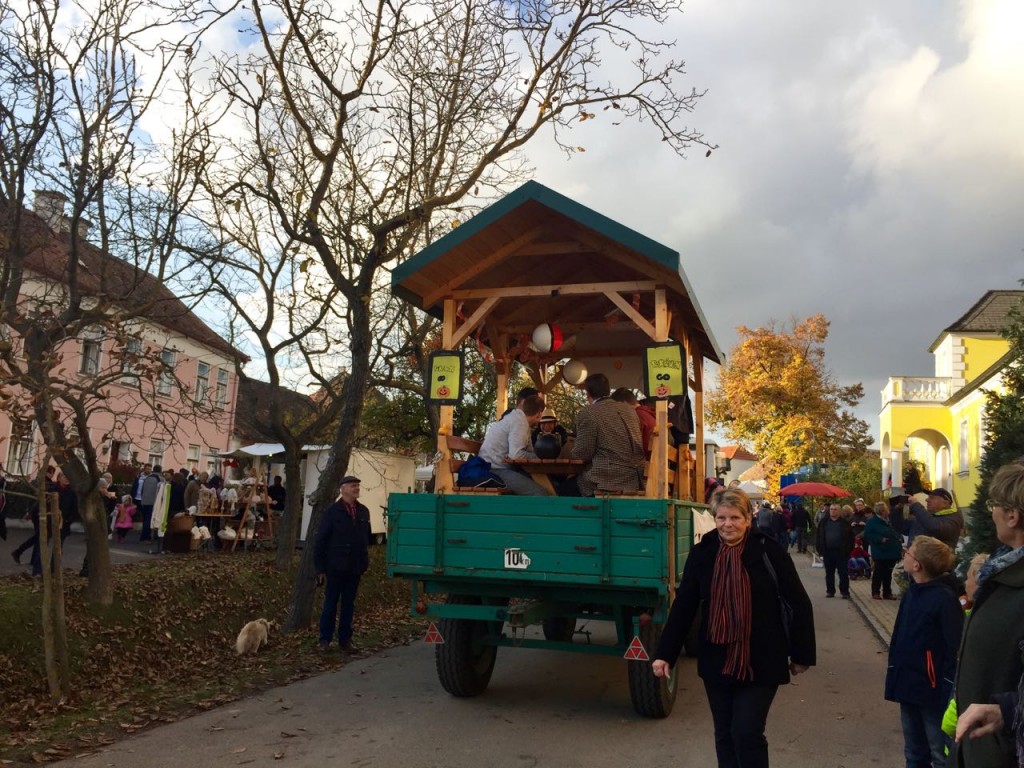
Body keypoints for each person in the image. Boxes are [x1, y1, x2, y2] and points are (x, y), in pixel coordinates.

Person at [652, 487, 815, 768]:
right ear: (714, 519)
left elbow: (797, 601)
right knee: (725, 733)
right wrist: (665, 653)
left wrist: (801, 654)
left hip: (761, 659)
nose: (728, 524)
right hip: (717, 658)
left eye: (735, 518)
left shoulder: (768, 552)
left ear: (748, 519)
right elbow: (685, 605)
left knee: (747, 732)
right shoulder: (702, 553)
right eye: (722, 518)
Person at [951, 462, 1024, 767]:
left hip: (1001, 751)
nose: (991, 511)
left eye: (994, 504)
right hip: (982, 746)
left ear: (1012, 515)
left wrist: (1006, 712)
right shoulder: (1000, 570)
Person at [886, 535, 963, 768]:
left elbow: (954, 649)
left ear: (917, 565)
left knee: (939, 753)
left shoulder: (944, 599)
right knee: (914, 751)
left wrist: (947, 687)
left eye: (909, 553)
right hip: (908, 685)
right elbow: (899, 637)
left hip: (932, 691)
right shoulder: (911, 593)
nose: (905, 554)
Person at [563, 374, 645, 497]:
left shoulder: (589, 413)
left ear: (588, 393)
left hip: (608, 478)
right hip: (636, 478)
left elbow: (582, 453)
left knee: (562, 490)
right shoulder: (629, 410)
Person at [314, 475, 371, 654]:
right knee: (330, 603)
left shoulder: (363, 511)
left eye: (357, 486)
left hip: (355, 566)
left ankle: (345, 640)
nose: (356, 489)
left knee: (349, 604)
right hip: (335, 565)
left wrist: (364, 561)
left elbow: (366, 537)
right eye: (353, 486)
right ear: (343, 488)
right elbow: (321, 540)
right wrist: (320, 568)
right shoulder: (332, 512)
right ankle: (325, 640)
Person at [478, 393, 550, 496]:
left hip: (497, 467)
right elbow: (516, 455)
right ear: (539, 414)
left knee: (545, 483)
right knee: (540, 493)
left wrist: (536, 456)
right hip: (493, 470)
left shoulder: (519, 419)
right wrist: (539, 457)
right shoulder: (519, 422)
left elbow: (527, 452)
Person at [864, 501, 902, 600]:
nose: (888, 511)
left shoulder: (889, 521)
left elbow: (895, 531)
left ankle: (887, 592)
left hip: (892, 551)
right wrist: (880, 539)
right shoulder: (872, 522)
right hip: (880, 551)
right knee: (878, 572)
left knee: (888, 573)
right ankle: (875, 592)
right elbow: (868, 534)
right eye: (886, 509)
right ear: (882, 511)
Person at [816, 503, 854, 598]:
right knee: (829, 573)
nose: (833, 511)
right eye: (831, 509)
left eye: (835, 509)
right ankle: (830, 591)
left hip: (841, 552)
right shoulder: (824, 522)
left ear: (839, 511)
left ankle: (845, 592)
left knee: (843, 573)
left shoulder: (844, 523)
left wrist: (848, 550)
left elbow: (850, 538)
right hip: (828, 552)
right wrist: (819, 549)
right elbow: (819, 536)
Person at [610, 387, 655, 457]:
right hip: (652, 457)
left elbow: (630, 445)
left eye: (616, 407)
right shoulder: (647, 413)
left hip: (644, 461)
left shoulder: (636, 416)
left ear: (623, 403)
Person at [138, 464, 162, 541]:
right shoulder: (160, 479)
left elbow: (142, 490)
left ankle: (144, 535)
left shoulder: (147, 478)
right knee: (149, 519)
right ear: (160, 470)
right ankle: (145, 536)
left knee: (145, 518)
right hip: (153, 502)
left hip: (144, 501)